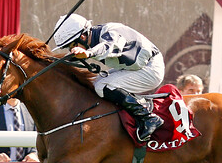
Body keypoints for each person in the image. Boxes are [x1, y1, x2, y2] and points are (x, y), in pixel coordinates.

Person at [52, 13, 164, 142]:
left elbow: (107, 47)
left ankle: (148, 118)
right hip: (134, 68)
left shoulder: (111, 31)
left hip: (150, 69)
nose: (71, 50)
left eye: (71, 46)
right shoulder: (89, 40)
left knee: (102, 86)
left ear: (82, 36)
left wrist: (89, 53)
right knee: (93, 84)